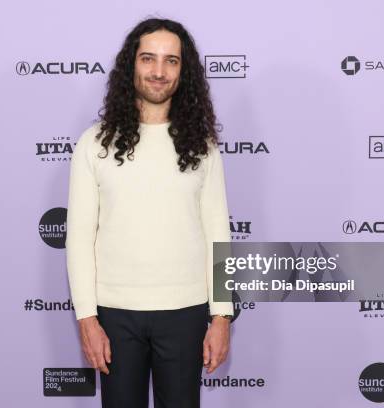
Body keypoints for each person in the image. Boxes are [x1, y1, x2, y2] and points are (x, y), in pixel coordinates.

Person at [65, 17, 234, 408]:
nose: (159, 71)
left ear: (183, 71)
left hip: (186, 313)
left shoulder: (202, 146)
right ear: (132, 66)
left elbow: (217, 233)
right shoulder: (95, 143)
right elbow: (79, 238)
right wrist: (87, 319)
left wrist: (222, 316)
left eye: (171, 61)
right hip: (114, 315)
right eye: (148, 59)